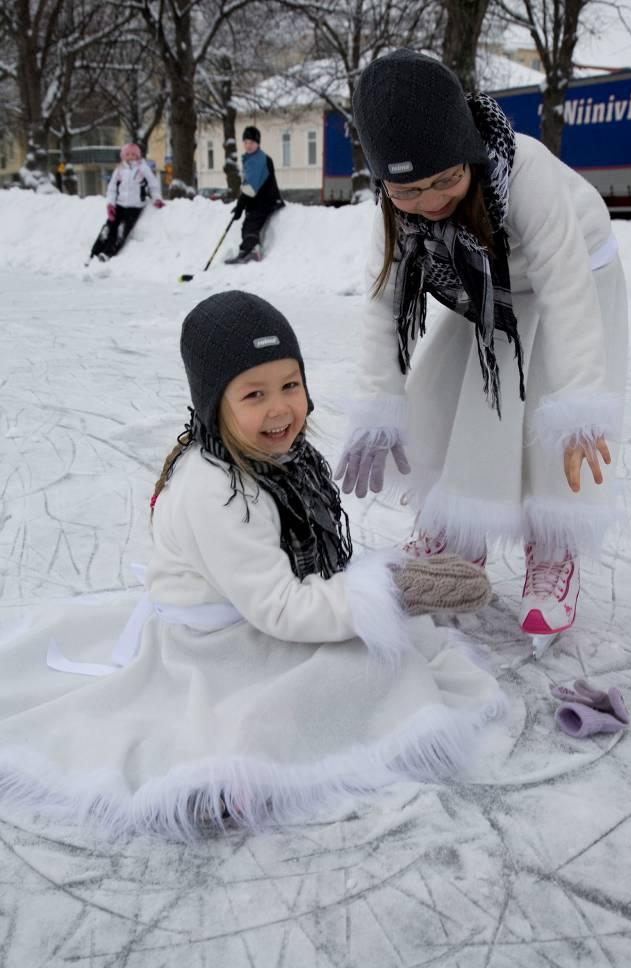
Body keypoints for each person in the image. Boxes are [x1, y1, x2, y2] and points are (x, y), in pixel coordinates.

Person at [0, 290, 505, 838]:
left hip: (251, 610)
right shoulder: (216, 492)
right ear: (215, 403)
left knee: (376, 654)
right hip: (217, 642)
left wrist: (377, 592)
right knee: (348, 677)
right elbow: (283, 608)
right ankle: (226, 772)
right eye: (254, 394)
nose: (279, 408)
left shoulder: (279, 459)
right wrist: (389, 593)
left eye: (290, 385)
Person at [336, 50, 628, 649]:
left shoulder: (524, 173)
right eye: (410, 189)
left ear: (468, 150)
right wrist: (377, 404)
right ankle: (456, 532)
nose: (433, 200)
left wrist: (580, 402)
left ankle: (553, 550)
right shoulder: (395, 215)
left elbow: (566, 289)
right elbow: (383, 305)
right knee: (444, 397)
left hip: (576, 272)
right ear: (384, 184)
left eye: (447, 178)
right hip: (490, 287)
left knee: (549, 412)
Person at [89, 143, 164, 262]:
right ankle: (95, 251)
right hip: (119, 205)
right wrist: (110, 205)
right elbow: (112, 188)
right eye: (127, 154)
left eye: (134, 154)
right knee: (108, 228)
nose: (131, 156)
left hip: (135, 207)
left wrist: (157, 198)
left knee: (121, 230)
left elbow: (153, 184)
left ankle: (108, 253)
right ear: (123, 156)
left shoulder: (143, 169)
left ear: (138, 156)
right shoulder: (119, 170)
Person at [225, 126, 284, 264]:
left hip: (266, 200)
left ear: (257, 143)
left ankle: (254, 251)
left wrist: (240, 205)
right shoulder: (252, 158)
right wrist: (242, 205)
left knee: (252, 222)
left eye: (251, 142)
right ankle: (245, 250)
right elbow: (249, 185)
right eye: (245, 142)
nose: (248, 145)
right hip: (258, 200)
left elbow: (250, 187)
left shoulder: (259, 160)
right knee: (247, 223)